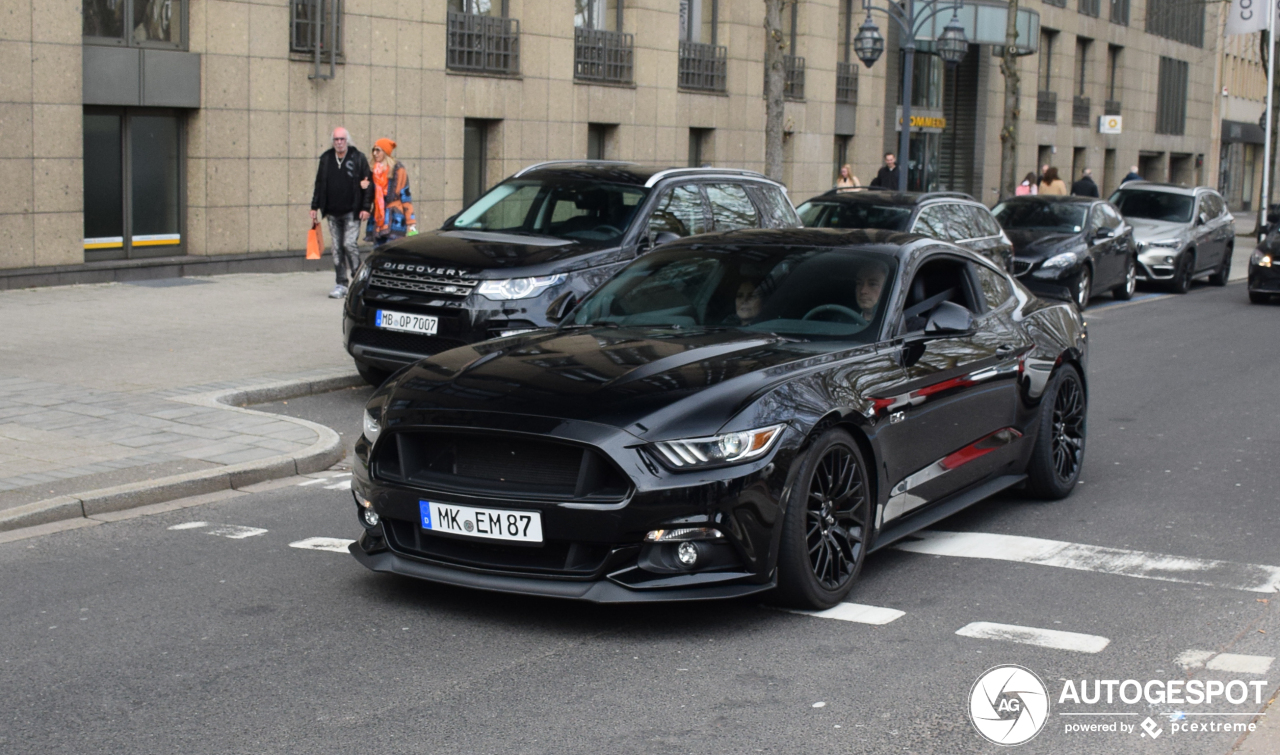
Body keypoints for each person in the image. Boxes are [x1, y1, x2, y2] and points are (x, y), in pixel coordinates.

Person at [311, 127, 373, 299]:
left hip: (352, 211)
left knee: (349, 244)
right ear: (333, 141)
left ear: (348, 140)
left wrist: (366, 208)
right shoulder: (326, 159)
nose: (339, 142)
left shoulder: (358, 158)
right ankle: (341, 284)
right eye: (336, 139)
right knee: (337, 248)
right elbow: (319, 184)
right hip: (332, 212)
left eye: (342, 139)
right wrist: (314, 206)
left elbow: (368, 185)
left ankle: (360, 280)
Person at [364, 138, 417, 247]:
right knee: (379, 251)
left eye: (378, 150)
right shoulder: (373, 170)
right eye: (373, 150)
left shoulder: (398, 170)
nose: (375, 153)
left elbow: (406, 196)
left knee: (392, 249)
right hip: (378, 218)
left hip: (395, 217)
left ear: (385, 151)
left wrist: (411, 222)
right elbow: (369, 194)